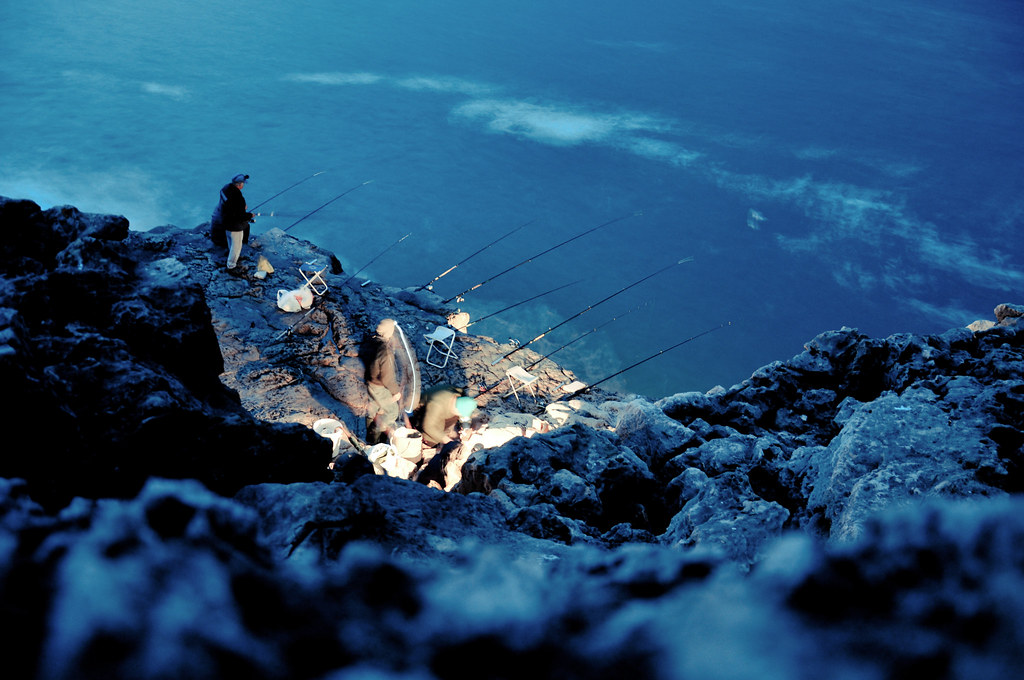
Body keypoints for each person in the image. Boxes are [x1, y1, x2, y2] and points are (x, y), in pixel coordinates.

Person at [413, 386, 477, 487]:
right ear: (455, 408)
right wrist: (446, 440)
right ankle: (429, 445)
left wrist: (466, 428)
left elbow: (464, 416)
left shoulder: (459, 398)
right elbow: (428, 426)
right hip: (420, 412)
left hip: (445, 410)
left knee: (452, 431)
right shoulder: (437, 405)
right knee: (433, 436)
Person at [364, 318, 407, 445]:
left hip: (370, 381)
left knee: (373, 407)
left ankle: (369, 435)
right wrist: (395, 392)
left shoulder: (372, 340)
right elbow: (387, 377)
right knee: (392, 411)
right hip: (379, 385)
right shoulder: (386, 351)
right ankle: (375, 438)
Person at [210, 173, 254, 273]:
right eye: (243, 183)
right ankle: (231, 266)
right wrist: (250, 215)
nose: (243, 185)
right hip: (235, 226)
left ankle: (231, 257)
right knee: (237, 246)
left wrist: (241, 208)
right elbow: (240, 215)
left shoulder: (225, 189)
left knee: (230, 242)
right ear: (239, 184)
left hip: (225, 222)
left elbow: (230, 207)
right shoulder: (238, 198)